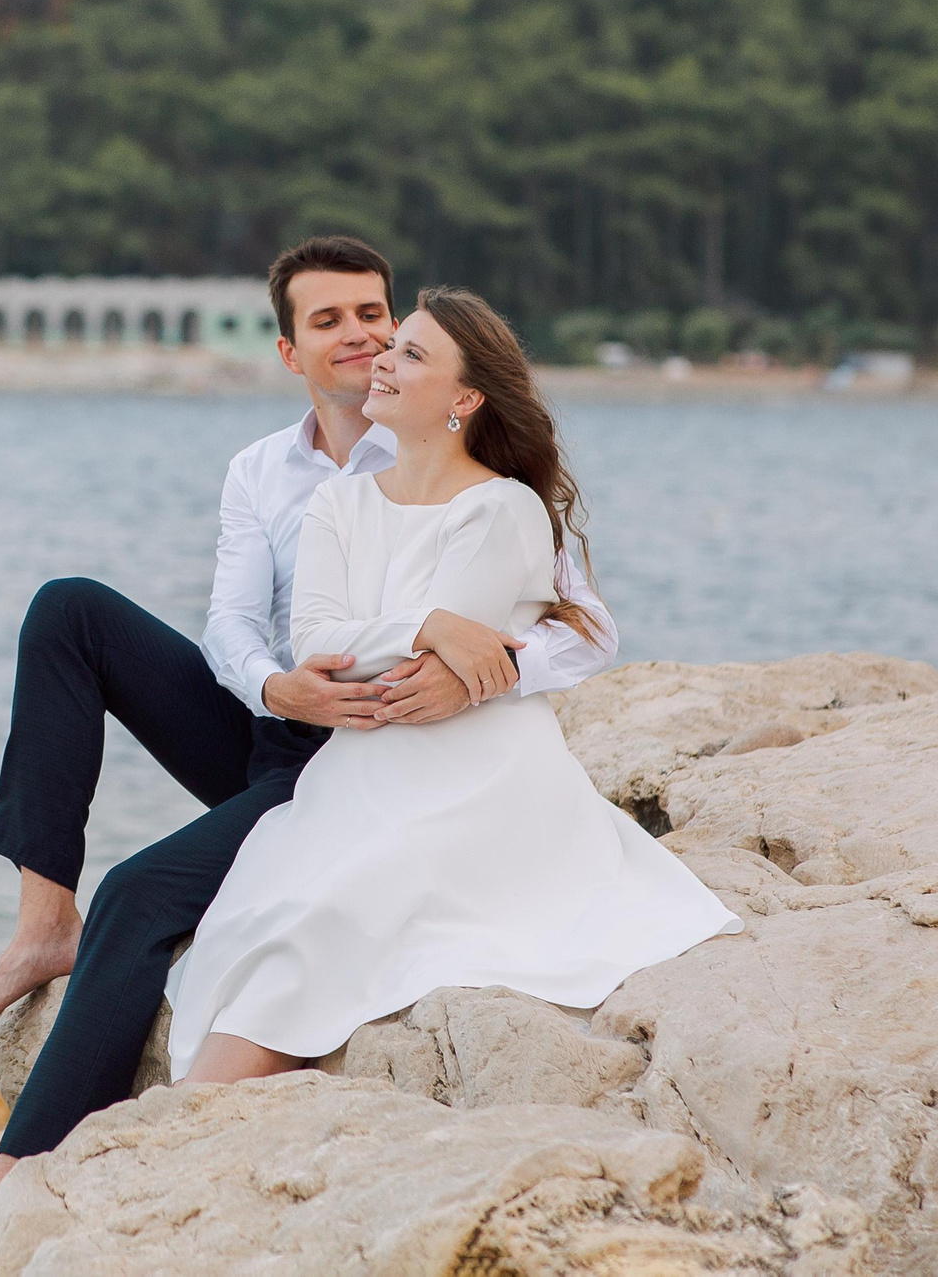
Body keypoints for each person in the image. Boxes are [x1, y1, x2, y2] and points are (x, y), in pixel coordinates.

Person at [0, 243, 618, 1276]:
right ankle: (42, 925)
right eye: (329, 321)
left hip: (363, 758)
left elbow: (585, 629)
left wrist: (490, 670)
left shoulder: (461, 466)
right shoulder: (265, 470)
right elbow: (228, 621)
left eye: (374, 314)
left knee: (143, 893)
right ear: (288, 351)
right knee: (69, 611)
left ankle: (0, 1185)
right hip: (277, 723)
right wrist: (272, 686)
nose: (360, 335)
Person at [163, 285, 740, 1088]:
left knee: (327, 920)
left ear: (465, 397)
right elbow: (316, 641)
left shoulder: (503, 508)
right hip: (358, 771)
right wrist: (429, 622)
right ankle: (186, 1120)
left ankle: (190, 1117)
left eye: (410, 353)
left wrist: (423, 638)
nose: (382, 360)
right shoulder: (337, 500)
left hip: (478, 775)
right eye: (393, 347)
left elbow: (435, 674)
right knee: (269, 917)